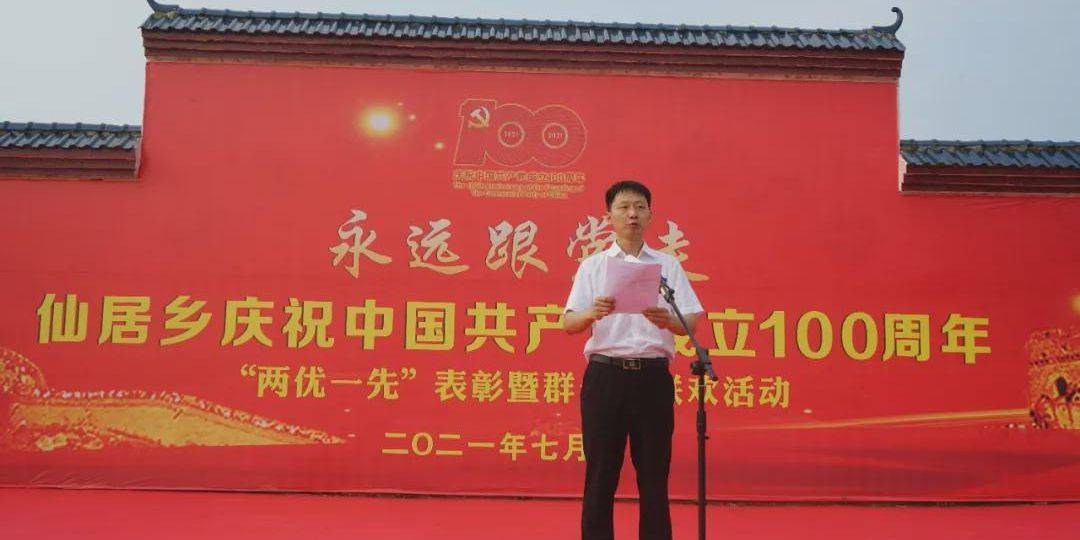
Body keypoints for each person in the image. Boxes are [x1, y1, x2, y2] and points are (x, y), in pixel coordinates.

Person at [563, 180, 703, 540]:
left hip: (652, 378)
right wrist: (592, 312)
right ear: (609, 215)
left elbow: (691, 321)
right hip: (605, 377)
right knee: (601, 474)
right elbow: (569, 323)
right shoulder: (593, 266)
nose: (632, 214)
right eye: (624, 207)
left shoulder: (667, 265)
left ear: (650, 215)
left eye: (640, 207)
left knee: (654, 474)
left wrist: (667, 320)